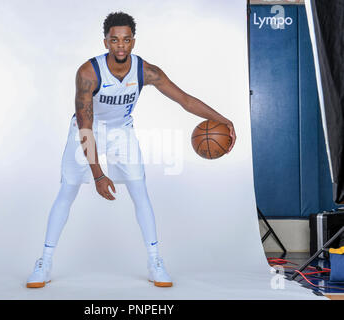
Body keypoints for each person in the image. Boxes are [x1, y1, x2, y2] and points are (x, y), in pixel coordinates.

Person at [26, 11, 236, 288]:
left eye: (126, 40)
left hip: (122, 132)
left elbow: (184, 100)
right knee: (67, 191)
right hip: (87, 131)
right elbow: (85, 127)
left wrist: (224, 120)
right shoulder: (88, 73)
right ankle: (44, 261)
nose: (121, 46)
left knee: (140, 192)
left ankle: (155, 261)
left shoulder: (146, 71)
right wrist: (99, 174)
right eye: (115, 40)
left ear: (133, 42)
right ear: (106, 43)